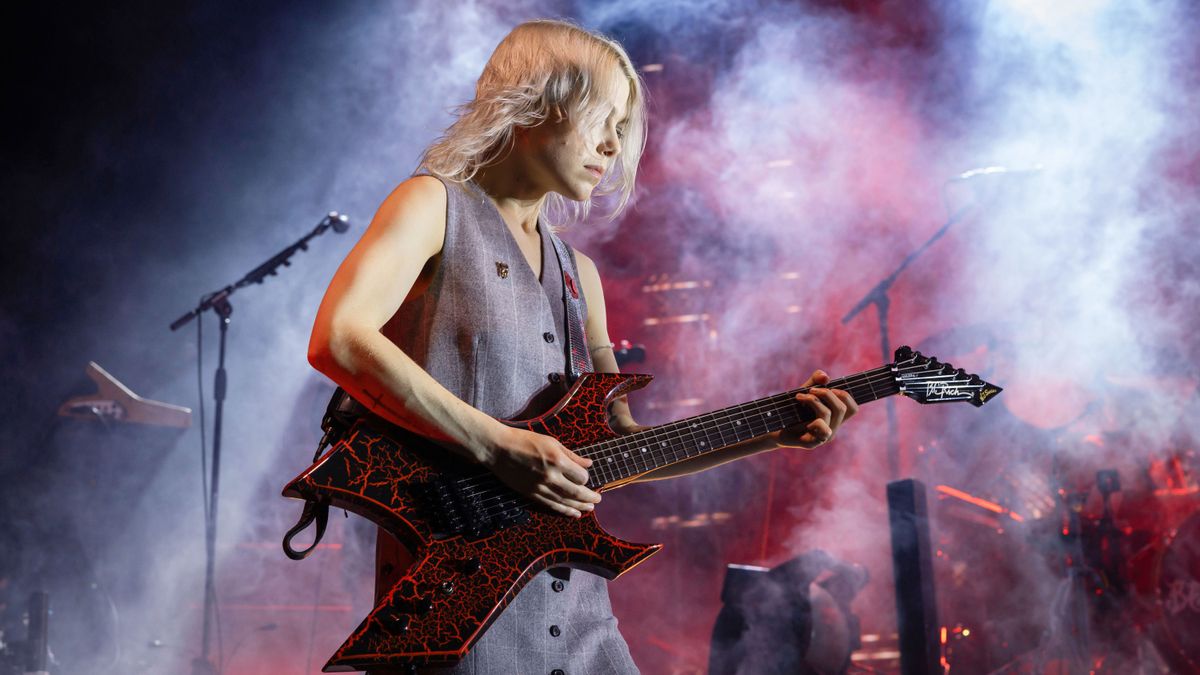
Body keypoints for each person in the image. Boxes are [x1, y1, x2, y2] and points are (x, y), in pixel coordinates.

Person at [306, 19, 858, 675]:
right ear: (537, 103)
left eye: (623, 127)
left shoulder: (580, 276)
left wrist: (773, 432)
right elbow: (338, 336)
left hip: (581, 618)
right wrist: (495, 444)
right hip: (458, 607)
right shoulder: (431, 205)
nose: (613, 144)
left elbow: (618, 448)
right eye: (604, 118)